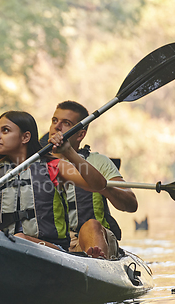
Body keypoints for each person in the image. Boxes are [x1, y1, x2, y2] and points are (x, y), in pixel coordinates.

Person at [0, 111, 107, 252]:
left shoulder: (53, 166)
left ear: (25, 137)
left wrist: (69, 151)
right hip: (1, 249)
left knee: (19, 238)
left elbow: (99, 185)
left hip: (52, 250)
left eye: (5, 131)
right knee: (15, 239)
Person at [48, 100, 138, 259]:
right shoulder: (34, 163)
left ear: (81, 134)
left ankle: (98, 265)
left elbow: (130, 204)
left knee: (90, 226)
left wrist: (98, 184)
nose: (57, 127)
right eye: (54, 121)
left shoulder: (98, 162)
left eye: (66, 123)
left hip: (93, 237)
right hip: (53, 243)